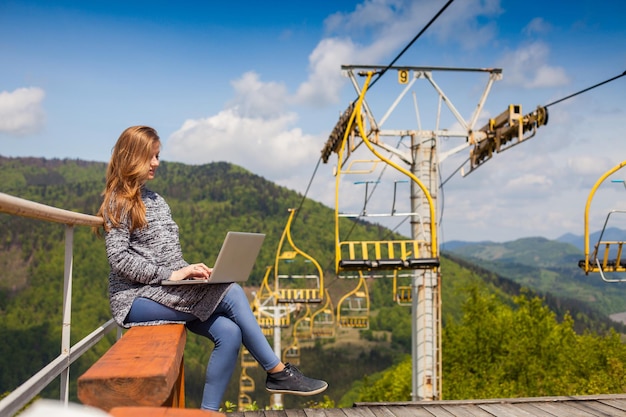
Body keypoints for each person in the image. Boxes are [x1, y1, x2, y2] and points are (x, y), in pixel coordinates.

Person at [95, 126, 327, 411]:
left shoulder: (156, 201)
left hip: (165, 291)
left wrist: (190, 271)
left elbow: (168, 257)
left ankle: (208, 413)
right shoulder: (118, 202)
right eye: (151, 157)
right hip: (136, 299)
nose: (157, 163)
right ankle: (277, 372)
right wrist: (169, 275)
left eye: (158, 156)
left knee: (230, 333)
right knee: (231, 292)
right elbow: (118, 259)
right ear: (131, 158)